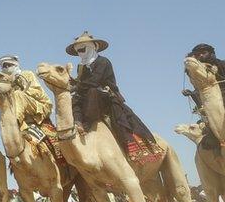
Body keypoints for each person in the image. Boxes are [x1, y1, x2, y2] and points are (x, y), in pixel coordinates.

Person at [67, 31, 163, 164]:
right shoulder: (81, 67)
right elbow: (81, 83)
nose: (80, 52)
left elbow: (94, 81)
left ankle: (89, 123)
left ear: (93, 47)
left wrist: (77, 86)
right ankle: (78, 123)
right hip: (86, 96)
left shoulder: (103, 62)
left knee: (92, 92)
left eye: (82, 49)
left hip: (105, 97)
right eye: (78, 51)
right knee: (73, 99)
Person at [0, 54, 53, 136]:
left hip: (39, 105)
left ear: (15, 65)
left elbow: (39, 94)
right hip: (23, 113)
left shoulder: (27, 74)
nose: (6, 68)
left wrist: (23, 86)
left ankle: (15, 123)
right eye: (4, 66)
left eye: (9, 65)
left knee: (18, 94)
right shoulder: (8, 83)